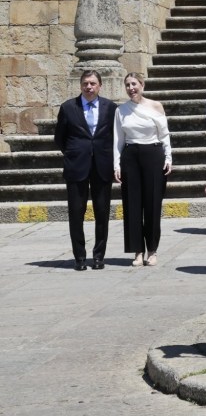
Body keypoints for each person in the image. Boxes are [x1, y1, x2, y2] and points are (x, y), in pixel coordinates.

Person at [54, 70, 116, 271]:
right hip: (76, 166)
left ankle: (99, 256)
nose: (89, 87)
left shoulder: (110, 107)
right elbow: (59, 138)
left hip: (102, 165)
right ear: (80, 86)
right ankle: (79, 257)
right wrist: (74, 152)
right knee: (76, 213)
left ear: (100, 86)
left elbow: (115, 136)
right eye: (85, 84)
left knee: (102, 212)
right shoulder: (68, 107)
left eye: (93, 83)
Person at [114, 73, 172, 268]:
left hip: (153, 154)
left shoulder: (156, 106)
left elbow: (164, 134)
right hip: (131, 156)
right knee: (132, 204)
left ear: (142, 85)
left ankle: (152, 250)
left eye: (134, 84)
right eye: (127, 85)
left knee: (153, 203)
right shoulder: (121, 110)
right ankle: (137, 251)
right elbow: (118, 140)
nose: (131, 88)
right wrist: (117, 164)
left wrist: (169, 157)